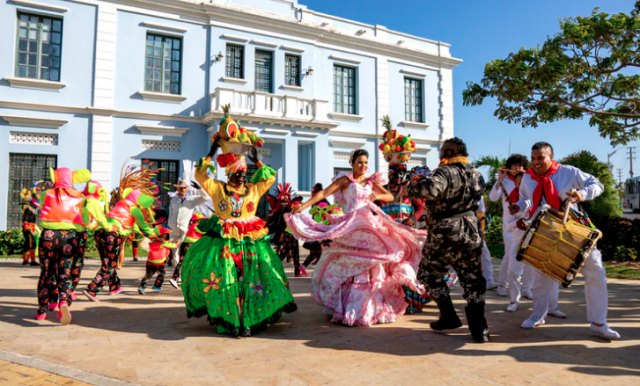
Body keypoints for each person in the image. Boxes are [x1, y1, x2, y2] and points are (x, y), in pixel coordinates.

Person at [182, 108, 296, 336]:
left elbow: (271, 176)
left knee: (255, 277)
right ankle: (230, 316)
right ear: (229, 173)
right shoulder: (218, 188)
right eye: (237, 172)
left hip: (250, 242)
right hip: (223, 243)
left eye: (244, 171)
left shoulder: (253, 190)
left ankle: (252, 316)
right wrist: (211, 153)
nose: (241, 175)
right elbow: (200, 176)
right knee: (226, 279)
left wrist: (259, 160)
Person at [287, 148, 428, 327]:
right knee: (350, 262)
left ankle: (369, 308)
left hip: (369, 224)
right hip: (351, 224)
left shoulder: (371, 181)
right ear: (352, 163)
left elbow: (390, 195)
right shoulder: (346, 180)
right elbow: (324, 194)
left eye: (366, 163)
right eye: (360, 162)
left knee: (373, 263)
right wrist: (303, 206)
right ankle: (347, 306)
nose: (363, 166)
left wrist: (377, 195)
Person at [509, 142, 619, 340]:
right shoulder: (527, 179)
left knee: (596, 271)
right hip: (542, 231)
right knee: (541, 276)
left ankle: (599, 323)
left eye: (540, 158)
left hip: (573, 230)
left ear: (551, 156)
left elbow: (597, 185)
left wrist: (581, 194)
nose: (535, 162)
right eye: (533, 158)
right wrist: (519, 208)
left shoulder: (569, 172)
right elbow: (527, 200)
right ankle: (538, 316)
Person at [408, 137, 489, 343]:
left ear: (450, 153)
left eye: (443, 151)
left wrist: (413, 186)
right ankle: (480, 330)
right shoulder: (477, 173)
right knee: (472, 279)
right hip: (471, 229)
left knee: (429, 273)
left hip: (446, 231)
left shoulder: (444, 171)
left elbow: (430, 189)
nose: (441, 154)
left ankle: (448, 316)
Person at [377, 126, 431, 315]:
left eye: (401, 172)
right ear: (389, 171)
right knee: (387, 269)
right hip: (386, 237)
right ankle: (391, 300)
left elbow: (420, 208)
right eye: (394, 171)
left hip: (406, 236)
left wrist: (412, 219)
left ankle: (411, 299)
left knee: (408, 267)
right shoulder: (382, 191)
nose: (398, 175)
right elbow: (374, 210)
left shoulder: (409, 189)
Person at [503, 172, 565, 317]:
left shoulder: (540, 197)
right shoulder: (511, 202)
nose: (521, 185)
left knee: (549, 273)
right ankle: (513, 301)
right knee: (513, 272)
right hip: (519, 239)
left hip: (539, 239)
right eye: (518, 182)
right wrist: (516, 224)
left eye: (524, 182)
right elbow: (507, 226)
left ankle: (551, 306)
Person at [35, 167, 92, 325]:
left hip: (49, 236)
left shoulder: (46, 194)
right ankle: (63, 302)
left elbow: (41, 212)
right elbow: (84, 220)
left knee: (47, 272)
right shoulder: (80, 196)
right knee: (64, 272)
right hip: (69, 237)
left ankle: (42, 310)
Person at [83, 189, 160, 302]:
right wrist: (155, 238)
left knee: (108, 261)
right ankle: (92, 289)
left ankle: (115, 287)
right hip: (112, 235)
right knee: (109, 265)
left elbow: (134, 226)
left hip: (99, 233)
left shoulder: (120, 204)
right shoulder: (134, 210)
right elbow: (144, 227)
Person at [489, 154, 534, 298]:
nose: (517, 167)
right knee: (509, 256)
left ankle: (527, 288)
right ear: (509, 167)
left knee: (528, 258)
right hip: (509, 225)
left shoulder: (528, 181)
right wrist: (500, 180)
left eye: (520, 165)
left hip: (526, 224)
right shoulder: (505, 182)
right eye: (514, 165)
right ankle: (502, 285)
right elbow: (492, 197)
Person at [71, 180, 112, 300]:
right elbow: (101, 218)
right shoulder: (92, 201)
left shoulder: (81, 198)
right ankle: (70, 289)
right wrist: (109, 227)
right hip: (79, 234)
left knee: (67, 261)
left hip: (68, 231)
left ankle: (62, 289)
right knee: (77, 263)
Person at [266, 183, 305, 276]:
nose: (284, 201)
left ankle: (274, 266)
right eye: (282, 198)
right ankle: (274, 266)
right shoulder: (284, 211)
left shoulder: (288, 210)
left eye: (285, 198)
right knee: (292, 252)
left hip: (287, 233)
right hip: (288, 233)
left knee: (286, 251)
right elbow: (273, 219)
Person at [167, 179, 209, 267]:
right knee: (175, 251)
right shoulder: (174, 200)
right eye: (180, 188)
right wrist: (168, 226)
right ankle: (177, 272)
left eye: (184, 188)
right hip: (173, 228)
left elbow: (206, 197)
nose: (182, 190)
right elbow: (170, 213)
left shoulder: (192, 199)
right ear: (177, 189)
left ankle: (181, 271)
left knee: (182, 250)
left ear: (187, 188)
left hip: (184, 228)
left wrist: (199, 188)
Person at [300, 183, 340, 270]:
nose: (312, 193)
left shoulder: (323, 203)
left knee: (317, 251)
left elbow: (326, 216)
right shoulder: (316, 203)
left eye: (314, 191)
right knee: (315, 251)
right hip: (316, 230)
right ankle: (303, 267)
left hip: (322, 230)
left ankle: (318, 269)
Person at [169, 212, 206, 289]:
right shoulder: (195, 226)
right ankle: (177, 278)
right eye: (201, 220)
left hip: (186, 245)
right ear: (197, 220)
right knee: (192, 262)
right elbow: (203, 232)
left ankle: (175, 278)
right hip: (190, 245)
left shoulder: (193, 226)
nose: (202, 221)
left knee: (182, 261)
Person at [138, 226, 175, 294]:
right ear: (161, 234)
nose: (166, 235)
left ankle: (142, 287)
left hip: (149, 262)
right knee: (162, 273)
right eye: (165, 233)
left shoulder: (153, 241)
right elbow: (173, 246)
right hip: (159, 263)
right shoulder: (164, 243)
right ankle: (157, 286)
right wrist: (177, 243)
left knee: (148, 275)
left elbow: (158, 240)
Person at [477, 197, 498, 290]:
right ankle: (448, 283)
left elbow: (481, 212)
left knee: (485, 254)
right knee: (456, 255)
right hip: (459, 226)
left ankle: (488, 281)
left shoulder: (478, 194)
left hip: (475, 229)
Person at [20, 187, 40, 266]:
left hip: (31, 227)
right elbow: (26, 218)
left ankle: (27, 260)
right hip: (28, 227)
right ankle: (30, 260)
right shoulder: (28, 207)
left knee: (30, 243)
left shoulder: (33, 207)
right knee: (31, 243)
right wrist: (26, 227)